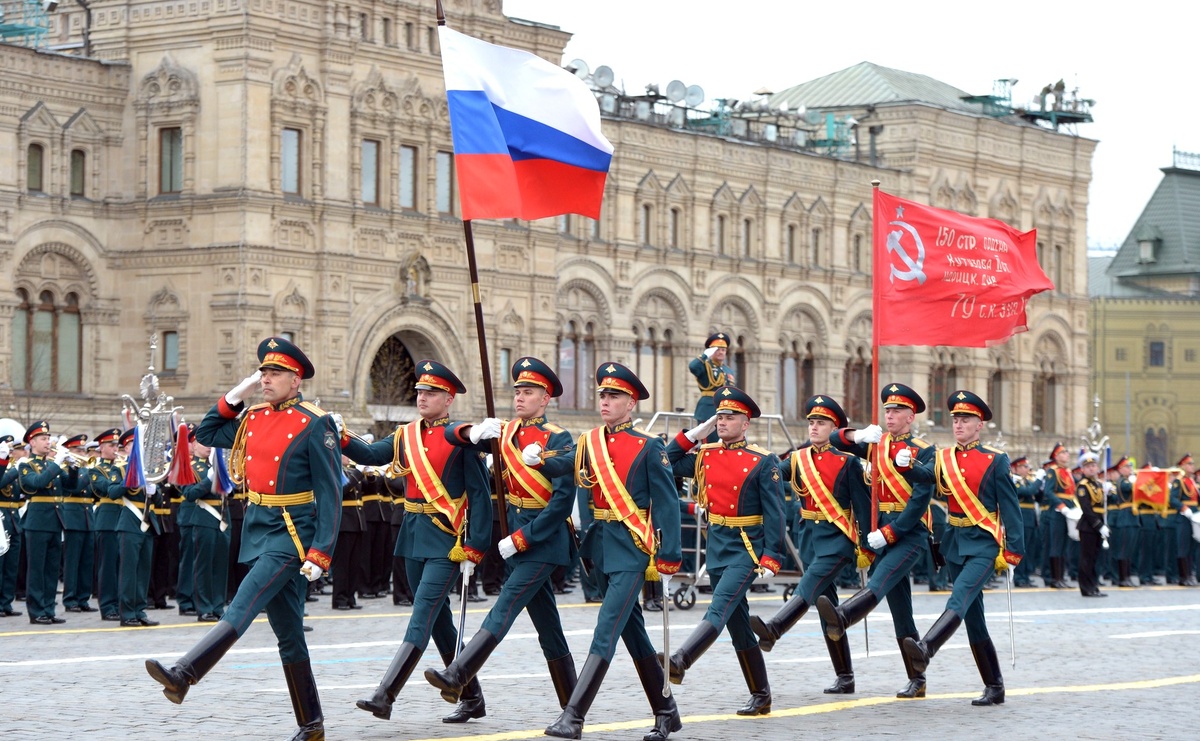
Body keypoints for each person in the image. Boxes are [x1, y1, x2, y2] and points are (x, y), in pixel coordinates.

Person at [146, 336, 341, 741]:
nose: (266, 379)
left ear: (296, 379)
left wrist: (321, 550)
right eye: (264, 373)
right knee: (289, 634)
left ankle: (185, 673)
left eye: (274, 374)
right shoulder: (251, 418)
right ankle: (312, 723)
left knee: (244, 602)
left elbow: (330, 492)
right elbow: (209, 430)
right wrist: (239, 392)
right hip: (257, 526)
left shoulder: (314, 421)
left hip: (291, 533)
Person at [424, 357, 580, 712]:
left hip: (543, 541)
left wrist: (522, 538)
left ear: (545, 398)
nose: (521, 398)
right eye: (518, 392)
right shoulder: (505, 432)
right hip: (515, 537)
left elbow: (560, 503)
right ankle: (574, 708)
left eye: (529, 392)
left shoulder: (557, 437)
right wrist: (475, 432)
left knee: (505, 605)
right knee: (549, 629)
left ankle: (459, 673)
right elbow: (451, 436)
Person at [342, 359, 492, 725]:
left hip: (445, 541)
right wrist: (342, 437)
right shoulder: (405, 434)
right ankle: (473, 699)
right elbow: (372, 455)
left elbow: (481, 496)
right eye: (420, 391)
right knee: (439, 621)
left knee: (422, 614)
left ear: (448, 398)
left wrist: (476, 545)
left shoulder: (460, 437)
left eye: (431, 392)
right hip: (411, 537)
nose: (422, 397)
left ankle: (386, 694)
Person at [544, 362, 683, 741]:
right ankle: (666, 711)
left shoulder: (649, 446)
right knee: (633, 633)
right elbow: (564, 465)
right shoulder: (589, 442)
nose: (605, 401)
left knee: (605, 629)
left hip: (633, 548)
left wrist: (669, 556)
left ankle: (573, 715)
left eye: (614, 396)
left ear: (631, 403)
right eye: (603, 395)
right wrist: (533, 457)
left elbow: (668, 504)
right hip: (602, 548)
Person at [662, 386, 784, 716]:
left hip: (746, 548)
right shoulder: (707, 454)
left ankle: (682, 659)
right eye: (720, 417)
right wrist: (694, 434)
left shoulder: (763, 461)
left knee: (719, 607)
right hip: (717, 545)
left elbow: (775, 513)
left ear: (746, 423)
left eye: (730, 417)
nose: (723, 422)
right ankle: (761, 695)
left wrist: (773, 555)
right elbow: (665, 462)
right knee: (738, 624)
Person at [902, 390, 1023, 706]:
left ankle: (927, 646)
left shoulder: (995, 460)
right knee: (973, 616)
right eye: (955, 419)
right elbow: (928, 477)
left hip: (984, 544)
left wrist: (1014, 549)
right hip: (956, 543)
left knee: (960, 596)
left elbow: (1010, 507)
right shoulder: (943, 458)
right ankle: (994, 686)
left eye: (965, 419)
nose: (958, 424)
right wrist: (907, 466)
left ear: (979, 424)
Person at [818, 383, 937, 699]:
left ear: (910, 417)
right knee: (902, 612)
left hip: (908, 532)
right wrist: (857, 436)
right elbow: (834, 439)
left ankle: (843, 616)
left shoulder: (924, 450)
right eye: (887, 410)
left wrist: (890, 533)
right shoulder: (876, 443)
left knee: (880, 580)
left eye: (897, 411)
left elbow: (920, 499)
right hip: (880, 528)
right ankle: (917, 679)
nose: (890, 415)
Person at [749, 395, 870, 694]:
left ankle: (775, 628)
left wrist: (868, 545)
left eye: (822, 423)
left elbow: (864, 507)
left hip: (838, 539)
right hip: (810, 541)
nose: (814, 428)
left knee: (810, 585)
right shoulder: (799, 458)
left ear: (834, 427)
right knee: (827, 608)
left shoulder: (849, 462)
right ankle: (845, 676)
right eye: (812, 422)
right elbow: (772, 474)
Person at [18, 422, 79, 625]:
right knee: (36, 569)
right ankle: (36, 612)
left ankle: (48, 608)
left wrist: (72, 469)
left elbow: (71, 487)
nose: (48, 442)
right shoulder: (26, 465)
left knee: (52, 569)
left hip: (55, 521)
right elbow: (37, 483)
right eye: (43, 439)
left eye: (48, 438)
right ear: (32, 442)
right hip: (37, 522)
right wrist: (57, 464)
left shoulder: (51, 464)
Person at [106, 427, 161, 627]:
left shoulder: (151, 470)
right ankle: (127, 612)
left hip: (147, 522)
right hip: (129, 522)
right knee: (129, 571)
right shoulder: (119, 468)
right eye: (134, 445)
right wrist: (129, 482)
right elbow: (112, 492)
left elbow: (160, 500)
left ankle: (139, 610)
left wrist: (154, 490)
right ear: (127, 448)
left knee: (143, 570)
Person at [183, 433, 228, 621]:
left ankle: (218, 606)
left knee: (220, 566)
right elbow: (189, 493)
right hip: (204, 518)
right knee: (203, 566)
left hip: (223, 519)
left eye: (211, 442)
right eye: (203, 443)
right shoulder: (192, 468)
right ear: (193, 445)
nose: (208, 446)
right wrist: (209, 480)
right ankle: (205, 608)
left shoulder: (219, 466)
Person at [87, 428, 124, 620]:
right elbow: (106, 489)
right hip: (107, 519)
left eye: (117, 445)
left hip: (123, 519)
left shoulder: (122, 466)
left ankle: (120, 603)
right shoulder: (96, 469)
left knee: (121, 566)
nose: (115, 448)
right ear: (101, 448)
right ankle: (108, 606)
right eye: (111, 445)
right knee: (108, 566)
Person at [60, 433, 97, 613]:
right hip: (73, 517)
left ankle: (83, 598)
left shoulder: (86, 468)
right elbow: (73, 488)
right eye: (77, 449)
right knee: (72, 561)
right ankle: (70, 599)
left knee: (86, 561)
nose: (81, 452)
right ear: (69, 451)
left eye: (82, 449)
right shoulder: (67, 468)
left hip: (88, 518)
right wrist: (90, 473)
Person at [1074, 452, 1113, 597]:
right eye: (1088, 466)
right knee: (1087, 558)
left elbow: (1103, 505)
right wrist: (1098, 525)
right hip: (1088, 526)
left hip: (1099, 525)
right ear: (1083, 470)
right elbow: (1087, 508)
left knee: (1096, 558)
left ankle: (1094, 586)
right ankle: (1086, 588)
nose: (1092, 469)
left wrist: (1108, 494)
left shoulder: (1099, 484)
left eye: (1094, 466)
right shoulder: (1083, 486)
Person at [1041, 443, 1077, 588]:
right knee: (1056, 545)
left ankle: (1061, 577)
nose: (1066, 455)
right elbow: (1048, 492)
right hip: (1057, 511)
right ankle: (1055, 579)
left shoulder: (1067, 471)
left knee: (1063, 546)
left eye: (1067, 452)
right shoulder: (1053, 471)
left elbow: (1071, 493)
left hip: (1068, 511)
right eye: (1063, 453)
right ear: (1056, 456)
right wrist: (1061, 506)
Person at [688, 333, 735, 441]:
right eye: (717, 349)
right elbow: (693, 367)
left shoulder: (728, 370)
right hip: (708, 409)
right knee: (710, 444)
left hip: (725, 409)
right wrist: (704, 356)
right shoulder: (705, 365)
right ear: (711, 351)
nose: (721, 352)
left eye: (723, 350)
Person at [332, 458, 365, 609]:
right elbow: (343, 489)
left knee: (354, 564)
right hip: (344, 524)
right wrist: (359, 473)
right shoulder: (334, 471)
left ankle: (350, 597)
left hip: (356, 523)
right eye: (346, 455)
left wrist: (368, 476)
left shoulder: (349, 472)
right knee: (342, 565)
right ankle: (339, 599)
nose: (349, 458)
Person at [0, 437, 26, 617]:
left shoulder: (14, 469)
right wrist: (15, 470)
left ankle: (6, 602)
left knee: (11, 565)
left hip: (14, 518)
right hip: (1, 518)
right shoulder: (6, 470)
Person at [1009, 456, 1043, 588]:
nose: (1027, 469)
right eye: (1024, 467)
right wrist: (1038, 481)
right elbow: (1027, 492)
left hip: (1031, 518)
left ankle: (1026, 576)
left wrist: (1040, 486)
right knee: (1021, 549)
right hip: (1021, 518)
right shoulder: (1014, 481)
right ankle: (1019, 577)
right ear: (1016, 468)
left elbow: (1037, 497)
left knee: (1030, 549)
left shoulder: (1028, 481)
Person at [1105, 456, 1138, 587]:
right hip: (1123, 518)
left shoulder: (1127, 481)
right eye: (1127, 467)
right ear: (1120, 470)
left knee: (1128, 550)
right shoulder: (1122, 482)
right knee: (1122, 550)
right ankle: (1122, 578)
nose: (1130, 469)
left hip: (1130, 517)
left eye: (1130, 466)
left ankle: (1126, 577)